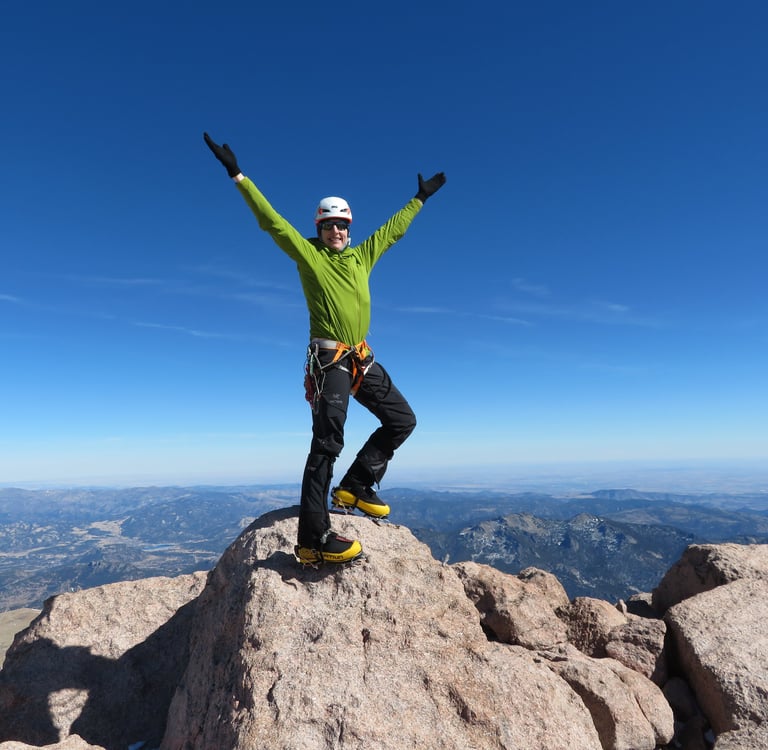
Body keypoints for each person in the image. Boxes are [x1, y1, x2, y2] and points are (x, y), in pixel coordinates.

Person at [204, 132, 446, 566]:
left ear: (350, 229)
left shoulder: (362, 257)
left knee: (402, 420)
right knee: (326, 442)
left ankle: (356, 485)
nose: (336, 230)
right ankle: (312, 538)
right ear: (318, 228)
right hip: (330, 359)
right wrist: (238, 175)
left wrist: (419, 199)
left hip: (360, 356)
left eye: (343, 225)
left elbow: (392, 232)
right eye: (329, 225)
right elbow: (272, 221)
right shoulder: (309, 255)